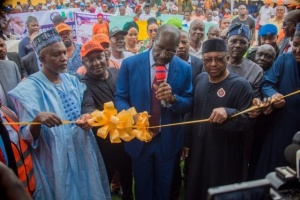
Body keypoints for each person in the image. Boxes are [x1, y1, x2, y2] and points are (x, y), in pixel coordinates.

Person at [8, 28, 111, 200]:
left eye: (64, 52)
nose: (64, 58)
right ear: (42, 59)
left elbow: (85, 107)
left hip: (82, 148)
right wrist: (37, 120)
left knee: (90, 188)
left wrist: (87, 117)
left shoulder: (73, 80)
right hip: (54, 155)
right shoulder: (29, 89)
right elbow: (26, 134)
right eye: (56, 55)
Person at [115, 24, 193, 200]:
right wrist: (130, 114)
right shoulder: (130, 64)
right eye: (160, 48)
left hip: (167, 141)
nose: (164, 55)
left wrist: (173, 99)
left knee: (164, 188)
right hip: (139, 140)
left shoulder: (184, 68)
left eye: (170, 51)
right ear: (153, 40)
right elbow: (120, 97)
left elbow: (188, 102)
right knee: (142, 187)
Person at [185, 38, 253, 200]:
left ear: (227, 58)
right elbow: (191, 112)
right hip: (198, 150)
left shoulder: (241, 86)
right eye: (208, 60)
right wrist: (186, 141)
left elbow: (249, 121)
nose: (213, 64)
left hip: (224, 153)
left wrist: (229, 112)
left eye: (219, 59)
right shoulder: (200, 79)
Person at [80, 40, 133, 200]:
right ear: (83, 63)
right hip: (104, 143)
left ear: (106, 56)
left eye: (99, 57)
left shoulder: (116, 73)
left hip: (127, 137)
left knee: (127, 174)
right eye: (90, 60)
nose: (96, 63)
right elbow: (88, 106)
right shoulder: (83, 83)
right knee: (105, 178)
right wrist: (90, 115)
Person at [253, 23, 300, 179]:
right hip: (283, 123)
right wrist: (273, 95)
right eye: (296, 44)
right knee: (276, 167)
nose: (298, 50)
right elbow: (267, 83)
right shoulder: (284, 60)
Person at [170, 30, 203, 199]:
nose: (181, 46)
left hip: (193, 118)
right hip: (174, 118)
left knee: (190, 158)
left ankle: (189, 185)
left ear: (190, 42)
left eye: (184, 42)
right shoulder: (167, 64)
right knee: (173, 161)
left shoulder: (199, 64)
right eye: (178, 44)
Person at [227, 23, 263, 99]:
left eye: (243, 42)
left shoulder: (255, 70)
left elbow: (256, 97)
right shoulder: (216, 65)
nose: (238, 45)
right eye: (233, 41)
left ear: (249, 45)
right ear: (227, 42)